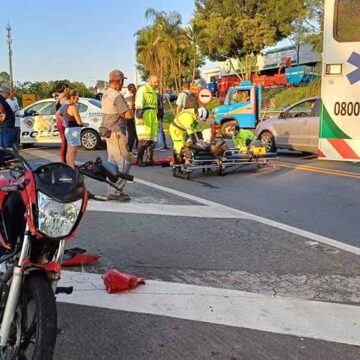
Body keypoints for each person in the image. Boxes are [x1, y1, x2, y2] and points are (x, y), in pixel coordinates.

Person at [101, 69, 133, 202]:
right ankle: (115, 191)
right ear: (119, 82)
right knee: (124, 163)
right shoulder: (117, 95)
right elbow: (129, 115)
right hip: (117, 133)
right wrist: (125, 111)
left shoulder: (106, 93)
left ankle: (111, 190)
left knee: (112, 164)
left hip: (108, 132)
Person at [55, 89, 83, 168]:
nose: (78, 98)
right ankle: (72, 167)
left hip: (67, 129)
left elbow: (57, 114)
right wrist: (82, 124)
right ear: (73, 97)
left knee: (69, 150)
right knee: (73, 151)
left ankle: (69, 166)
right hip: (74, 130)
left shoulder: (64, 105)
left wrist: (64, 120)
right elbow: (79, 121)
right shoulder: (73, 107)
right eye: (77, 96)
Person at [135, 75, 159, 166]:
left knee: (151, 140)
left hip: (153, 116)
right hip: (144, 116)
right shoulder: (143, 89)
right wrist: (139, 117)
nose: (156, 84)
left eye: (157, 82)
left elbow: (156, 106)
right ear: (149, 81)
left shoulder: (153, 92)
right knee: (143, 140)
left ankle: (150, 159)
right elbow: (139, 104)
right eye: (154, 82)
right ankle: (139, 160)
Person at [55, 82, 70, 163]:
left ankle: (66, 160)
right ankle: (64, 161)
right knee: (65, 142)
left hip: (61, 121)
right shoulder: (63, 99)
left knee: (66, 142)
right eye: (67, 89)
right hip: (62, 122)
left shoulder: (59, 98)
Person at [125, 83, 138, 153]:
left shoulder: (126, 99)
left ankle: (130, 149)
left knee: (131, 134)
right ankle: (138, 147)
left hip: (130, 118)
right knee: (137, 133)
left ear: (129, 90)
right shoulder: (138, 97)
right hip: (138, 117)